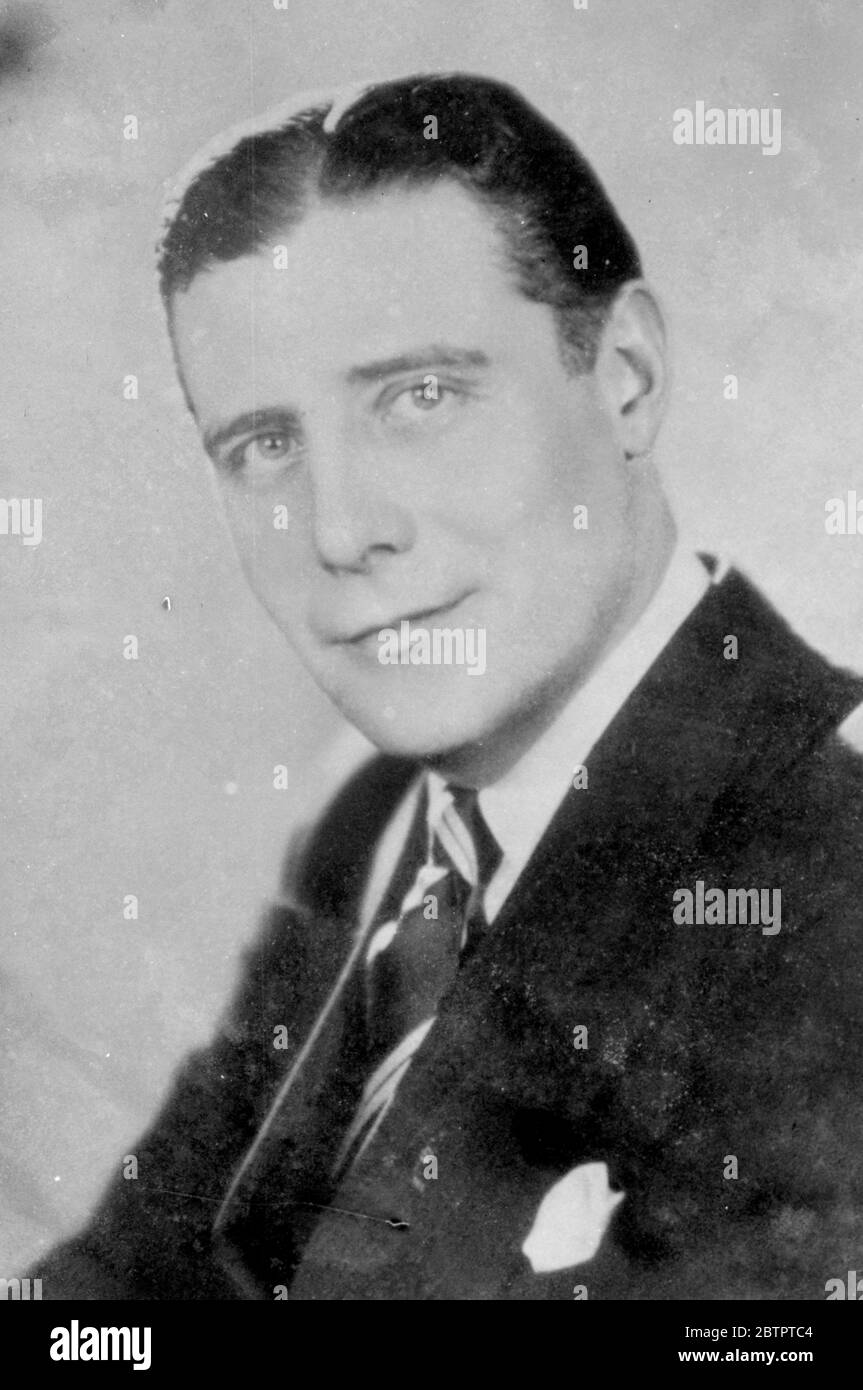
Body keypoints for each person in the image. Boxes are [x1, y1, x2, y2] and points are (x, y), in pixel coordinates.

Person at [40, 72, 863, 1300]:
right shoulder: (376, 832)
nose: (338, 527)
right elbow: (110, 1301)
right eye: (264, 445)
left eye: (418, 396)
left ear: (625, 376)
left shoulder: (825, 884)